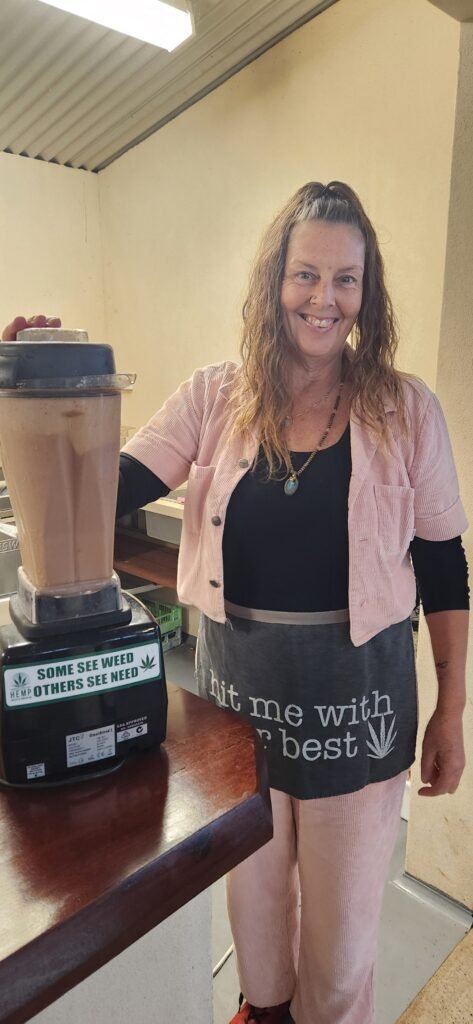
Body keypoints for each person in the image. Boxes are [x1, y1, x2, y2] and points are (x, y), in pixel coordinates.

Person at [4, 181, 469, 1024]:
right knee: (257, 940)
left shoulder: (407, 412)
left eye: (345, 279)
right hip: (236, 725)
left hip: (355, 723)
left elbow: (443, 568)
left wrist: (451, 711)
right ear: (274, 282)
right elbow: (93, 492)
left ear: (367, 294)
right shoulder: (214, 396)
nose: (323, 299)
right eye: (304, 275)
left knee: (338, 956)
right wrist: (35, 395)